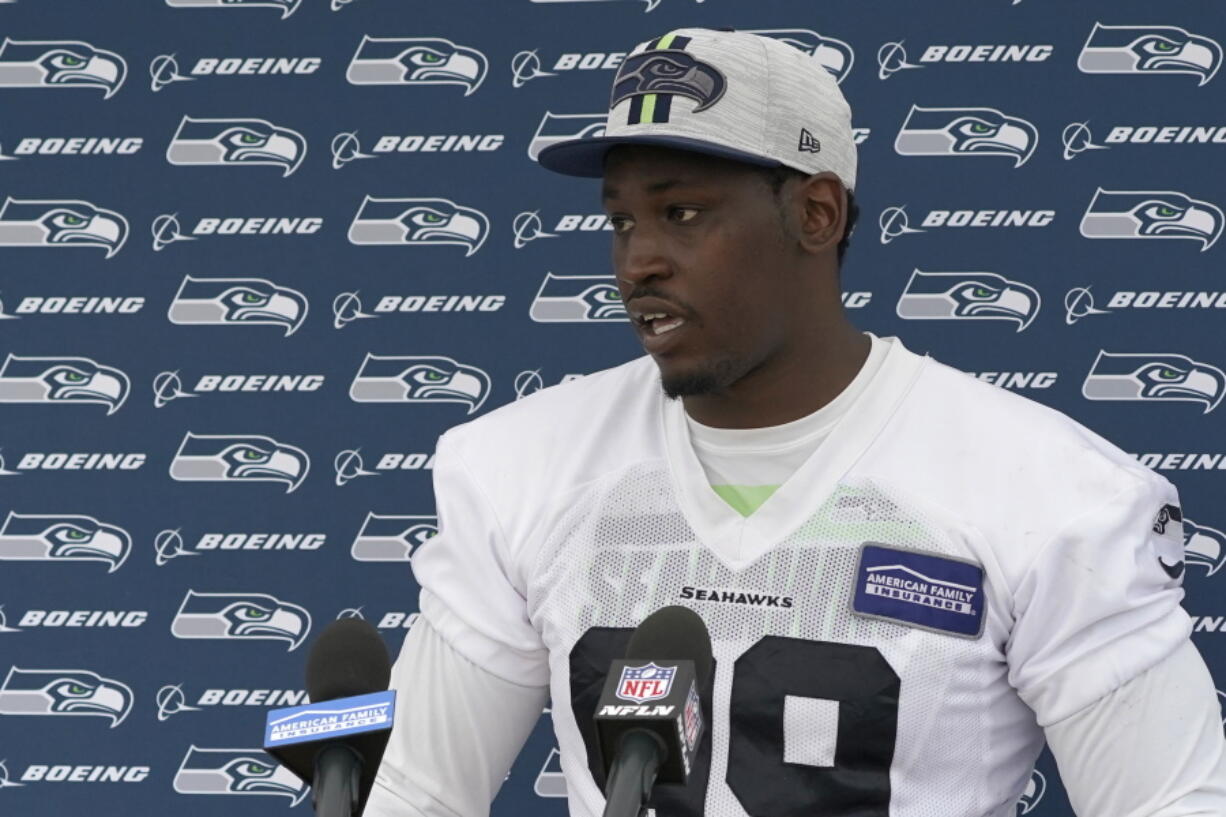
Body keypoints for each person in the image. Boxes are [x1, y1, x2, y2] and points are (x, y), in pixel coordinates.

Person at [364, 27, 1226, 817]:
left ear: (817, 214)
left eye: (683, 212)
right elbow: (415, 788)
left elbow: (1175, 801)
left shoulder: (1048, 491)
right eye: (620, 220)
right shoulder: (520, 462)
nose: (639, 260)